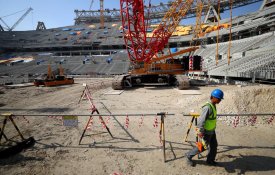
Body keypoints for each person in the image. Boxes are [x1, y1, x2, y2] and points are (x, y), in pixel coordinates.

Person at [185, 89, 224, 167]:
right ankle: (188, 155)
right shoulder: (207, 107)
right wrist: (200, 131)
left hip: (212, 131)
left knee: (214, 146)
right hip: (206, 132)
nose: (220, 100)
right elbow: (201, 121)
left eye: (220, 99)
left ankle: (210, 160)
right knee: (202, 147)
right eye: (219, 98)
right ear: (213, 97)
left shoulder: (213, 105)